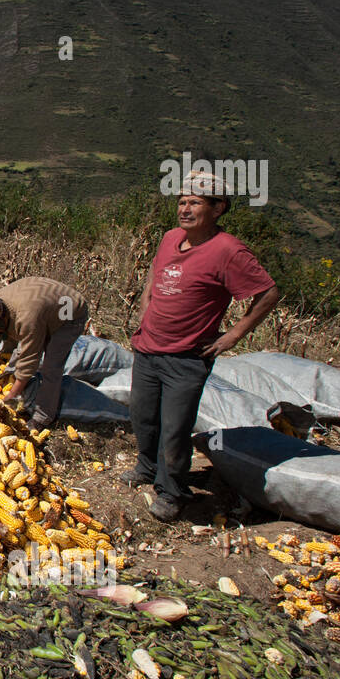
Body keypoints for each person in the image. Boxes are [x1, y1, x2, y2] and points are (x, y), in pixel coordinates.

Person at [122, 169, 281, 522]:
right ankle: (146, 468)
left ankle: (171, 491)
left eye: (195, 202)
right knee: (143, 416)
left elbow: (268, 292)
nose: (184, 209)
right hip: (148, 348)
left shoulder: (228, 251)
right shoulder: (169, 239)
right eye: (181, 202)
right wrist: (146, 308)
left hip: (187, 357)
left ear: (219, 208)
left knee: (175, 428)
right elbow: (155, 271)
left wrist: (234, 335)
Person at [0, 277, 89, 428]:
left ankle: (43, 416)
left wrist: (12, 396)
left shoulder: (28, 318)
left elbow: (30, 358)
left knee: (51, 366)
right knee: (16, 344)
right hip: (41, 305)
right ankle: (11, 377)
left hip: (70, 313)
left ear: (1, 322)